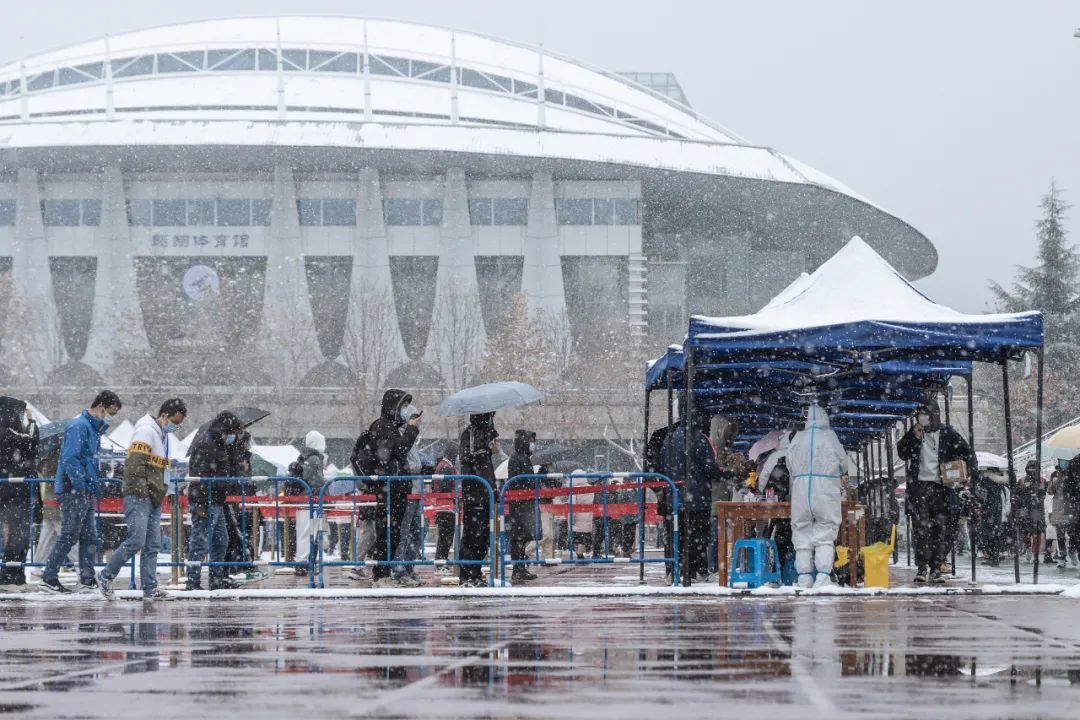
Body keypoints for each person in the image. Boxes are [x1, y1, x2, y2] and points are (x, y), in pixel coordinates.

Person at [97, 398, 186, 601]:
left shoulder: (162, 435)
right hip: (140, 495)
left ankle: (150, 588)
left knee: (152, 545)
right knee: (137, 540)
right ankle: (105, 575)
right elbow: (135, 465)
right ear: (164, 415)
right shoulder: (146, 431)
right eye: (175, 421)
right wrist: (143, 491)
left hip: (153, 495)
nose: (175, 427)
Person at [41, 390, 123, 593]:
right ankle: (49, 576)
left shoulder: (90, 427)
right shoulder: (80, 426)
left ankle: (86, 579)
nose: (111, 417)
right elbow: (71, 458)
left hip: (82, 489)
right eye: (111, 412)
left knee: (89, 536)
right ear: (102, 407)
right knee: (70, 534)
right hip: (74, 490)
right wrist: (80, 485)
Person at [897, 398, 973, 584]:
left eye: (925, 414)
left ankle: (936, 567)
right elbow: (902, 453)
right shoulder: (915, 432)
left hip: (941, 487)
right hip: (919, 487)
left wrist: (966, 473)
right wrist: (912, 437)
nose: (922, 418)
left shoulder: (947, 433)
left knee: (941, 529)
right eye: (920, 414)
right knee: (921, 529)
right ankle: (922, 567)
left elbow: (967, 452)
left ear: (934, 415)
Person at [361, 389, 421, 588]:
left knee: (393, 533)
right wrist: (412, 429)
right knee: (387, 532)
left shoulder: (392, 427)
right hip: (388, 489)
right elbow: (400, 450)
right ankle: (381, 574)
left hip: (397, 487)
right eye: (403, 406)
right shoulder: (383, 427)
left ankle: (384, 571)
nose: (406, 410)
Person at [785, 403, 849, 589]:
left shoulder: (797, 437)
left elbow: (789, 463)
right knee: (826, 530)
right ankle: (822, 576)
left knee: (801, 529)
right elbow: (843, 463)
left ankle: (804, 576)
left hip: (801, 489)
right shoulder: (830, 437)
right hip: (826, 489)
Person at [659, 407, 722, 583]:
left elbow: (662, 466)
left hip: (674, 498)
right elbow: (710, 468)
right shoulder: (700, 439)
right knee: (697, 538)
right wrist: (724, 473)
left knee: (675, 536)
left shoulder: (668, 439)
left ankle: (673, 570)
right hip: (697, 498)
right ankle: (695, 571)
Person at [186, 411, 245, 591]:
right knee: (200, 541)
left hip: (217, 500)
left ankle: (216, 578)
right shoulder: (206, 445)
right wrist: (220, 485)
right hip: (205, 500)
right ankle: (193, 581)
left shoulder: (221, 446)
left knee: (221, 541)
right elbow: (202, 474)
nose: (234, 437)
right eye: (233, 432)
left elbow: (226, 471)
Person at [0, 397, 39, 587]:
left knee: (19, 535)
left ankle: (14, 573)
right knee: (18, 534)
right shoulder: (7, 432)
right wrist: (31, 422)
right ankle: (11, 574)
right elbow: (31, 442)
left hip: (14, 492)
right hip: (12, 493)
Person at [458, 412, 499, 587]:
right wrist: (489, 449)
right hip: (474, 494)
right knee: (472, 535)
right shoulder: (471, 433)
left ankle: (475, 572)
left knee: (482, 537)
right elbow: (469, 455)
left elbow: (486, 467)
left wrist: (493, 490)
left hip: (484, 493)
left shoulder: (482, 434)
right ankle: (468, 574)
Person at [506, 429, 539, 583]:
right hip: (519, 505)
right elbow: (517, 481)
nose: (533, 445)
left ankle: (521, 567)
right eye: (531, 441)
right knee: (518, 537)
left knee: (524, 537)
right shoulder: (516, 458)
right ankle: (517, 569)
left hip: (526, 504)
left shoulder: (525, 458)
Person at [292, 430, 327, 577]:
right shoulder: (314, 459)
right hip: (310, 499)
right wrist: (324, 484)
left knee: (306, 532)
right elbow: (314, 479)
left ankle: (303, 561)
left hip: (306, 499)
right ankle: (303, 562)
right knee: (308, 532)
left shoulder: (307, 457)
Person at [433, 443, 458, 576]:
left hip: (443, 505)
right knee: (446, 536)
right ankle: (440, 563)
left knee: (445, 535)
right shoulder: (446, 466)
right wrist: (455, 491)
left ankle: (441, 561)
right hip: (446, 506)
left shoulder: (443, 465)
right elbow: (445, 487)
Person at [1014, 460, 1045, 562]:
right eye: (1030, 468)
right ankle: (1028, 548)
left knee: (1038, 533)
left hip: (1038, 511)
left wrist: (1038, 497)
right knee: (1026, 532)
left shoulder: (1042, 481)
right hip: (1025, 510)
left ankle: (1035, 553)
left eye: (1034, 468)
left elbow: (1044, 493)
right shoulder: (1022, 481)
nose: (1032, 470)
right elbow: (1016, 494)